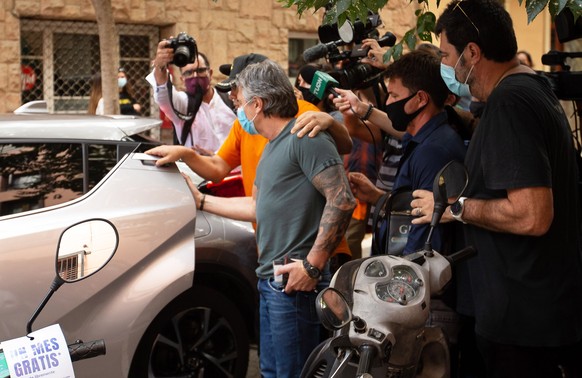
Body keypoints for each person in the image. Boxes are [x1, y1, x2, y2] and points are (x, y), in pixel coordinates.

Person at [410, 0, 582, 376]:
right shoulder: (525, 88)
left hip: (522, 326)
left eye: (446, 55)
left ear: (472, 52)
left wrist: (455, 207)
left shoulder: (511, 102)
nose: (445, 65)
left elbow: (533, 215)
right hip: (529, 315)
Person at [181, 59, 356, 378]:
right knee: (272, 371)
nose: (235, 104)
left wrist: (313, 264)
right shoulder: (272, 147)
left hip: (295, 276)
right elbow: (257, 207)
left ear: (257, 104)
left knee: (292, 372)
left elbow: (342, 200)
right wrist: (201, 200)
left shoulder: (306, 134)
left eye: (239, 99)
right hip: (271, 279)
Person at [335, 50, 466, 255]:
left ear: (420, 99)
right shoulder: (422, 139)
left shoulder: (433, 151)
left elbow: (423, 237)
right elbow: (411, 205)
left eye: (395, 96)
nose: (388, 103)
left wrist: (399, 279)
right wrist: (377, 197)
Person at [146, 41, 236, 154]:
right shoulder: (183, 105)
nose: (195, 76)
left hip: (236, 170)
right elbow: (163, 95)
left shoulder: (231, 99)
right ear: (182, 79)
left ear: (210, 73)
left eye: (200, 70)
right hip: (196, 170)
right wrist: (160, 66)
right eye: (189, 73)